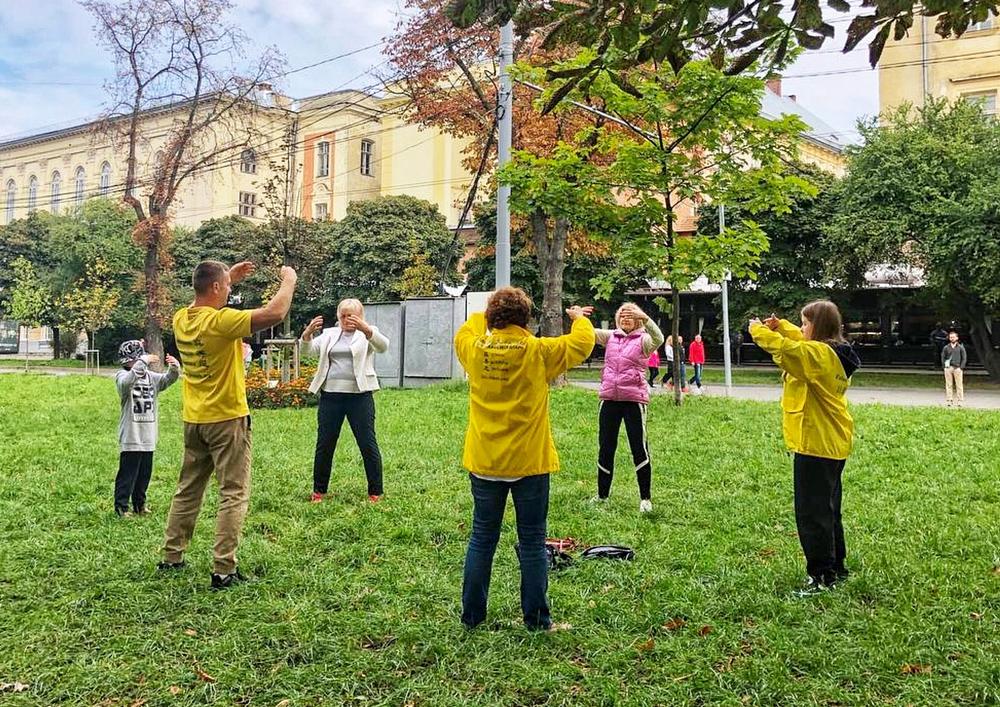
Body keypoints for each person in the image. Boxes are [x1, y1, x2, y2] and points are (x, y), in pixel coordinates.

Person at [454, 287, 595, 631]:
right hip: (529, 462)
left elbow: (464, 331)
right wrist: (578, 319)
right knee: (532, 540)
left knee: (481, 538)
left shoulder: (475, 349)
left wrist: (482, 317)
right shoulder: (538, 351)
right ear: (527, 319)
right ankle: (537, 620)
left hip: (485, 461)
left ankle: (472, 617)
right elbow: (582, 344)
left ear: (492, 318)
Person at [159, 260, 297, 590]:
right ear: (217, 289)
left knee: (188, 489)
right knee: (233, 492)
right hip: (227, 419)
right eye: (227, 287)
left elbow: (206, 296)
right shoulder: (221, 322)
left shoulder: (181, 318)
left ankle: (171, 556)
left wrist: (227, 278)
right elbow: (274, 313)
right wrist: (288, 280)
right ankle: (223, 568)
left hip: (195, 419)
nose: (230, 291)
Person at [749, 301, 860, 595]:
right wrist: (783, 326)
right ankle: (836, 567)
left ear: (818, 326)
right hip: (832, 441)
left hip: (816, 442)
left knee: (812, 513)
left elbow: (788, 350)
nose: (801, 328)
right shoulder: (833, 352)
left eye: (805, 322)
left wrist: (758, 331)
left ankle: (821, 576)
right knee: (829, 509)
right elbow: (799, 341)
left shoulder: (818, 355)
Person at [301, 299, 389, 503]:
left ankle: (375, 492)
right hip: (330, 396)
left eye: (352, 315)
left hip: (360, 396)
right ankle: (318, 491)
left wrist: (365, 329)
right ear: (338, 315)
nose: (347, 319)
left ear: (360, 315)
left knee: (367, 443)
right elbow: (308, 351)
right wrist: (307, 334)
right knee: (325, 444)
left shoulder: (367, 332)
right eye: (343, 315)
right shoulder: (330, 334)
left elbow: (383, 347)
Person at [593, 303, 664, 513]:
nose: (625, 318)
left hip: (634, 400)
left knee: (639, 447)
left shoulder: (644, 340)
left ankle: (645, 498)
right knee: (606, 447)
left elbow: (659, 338)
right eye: (622, 315)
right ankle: (602, 495)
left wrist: (645, 317)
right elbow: (588, 333)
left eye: (630, 315)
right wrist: (578, 318)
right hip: (609, 399)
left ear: (638, 320)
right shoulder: (611, 337)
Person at [113, 340, 180, 517]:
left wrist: (174, 368)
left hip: (148, 436)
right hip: (131, 436)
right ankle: (121, 507)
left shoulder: (151, 377)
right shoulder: (122, 376)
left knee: (144, 476)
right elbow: (126, 383)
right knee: (127, 475)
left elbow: (167, 380)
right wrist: (142, 362)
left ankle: (139, 505)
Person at [941, 331, 967, 407]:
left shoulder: (960, 347)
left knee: (959, 385)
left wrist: (961, 367)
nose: (952, 338)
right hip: (948, 368)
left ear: (957, 338)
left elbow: (964, 358)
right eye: (950, 337)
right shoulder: (946, 347)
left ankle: (960, 400)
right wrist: (945, 367)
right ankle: (949, 400)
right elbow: (943, 357)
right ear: (949, 338)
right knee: (948, 384)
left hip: (958, 368)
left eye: (953, 337)